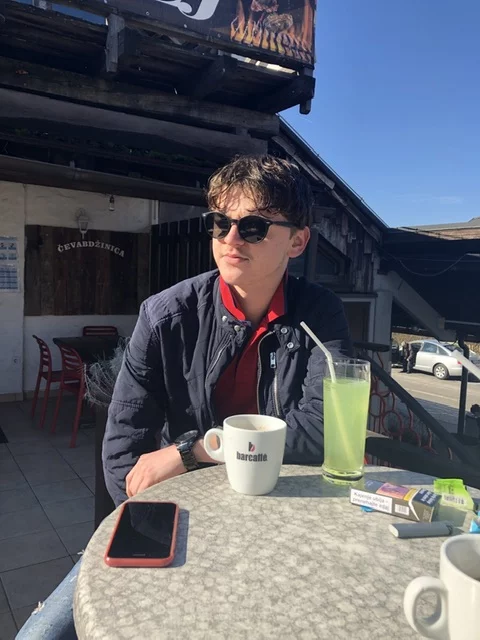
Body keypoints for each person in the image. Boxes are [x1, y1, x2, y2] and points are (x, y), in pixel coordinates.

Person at [17, 154, 351, 639]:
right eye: (221, 223)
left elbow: (327, 429)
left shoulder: (320, 315)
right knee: (44, 633)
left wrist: (198, 448)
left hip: (279, 518)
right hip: (179, 518)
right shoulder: (164, 316)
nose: (231, 239)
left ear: (297, 241)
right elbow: (124, 456)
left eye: (253, 226)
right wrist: (157, 529)